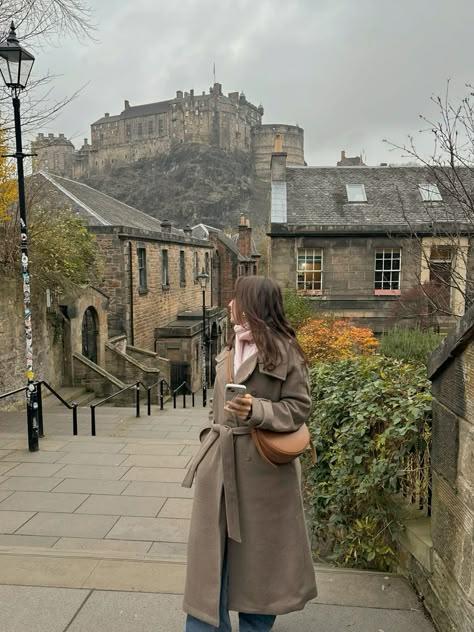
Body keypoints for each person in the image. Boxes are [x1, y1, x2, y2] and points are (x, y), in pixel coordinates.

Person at [182, 276, 317, 631]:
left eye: (235, 299)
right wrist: (208, 438)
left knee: (260, 564)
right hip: (219, 467)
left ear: (252, 304)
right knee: (211, 562)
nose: (229, 305)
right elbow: (215, 408)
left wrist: (257, 410)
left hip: (263, 476)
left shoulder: (286, 351)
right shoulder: (231, 345)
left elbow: (299, 408)